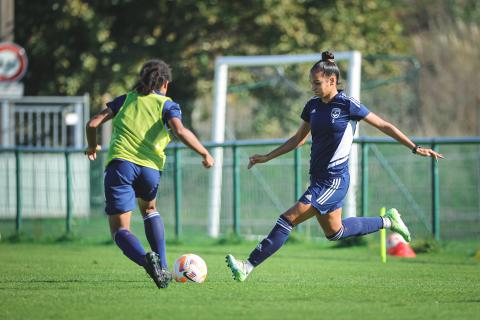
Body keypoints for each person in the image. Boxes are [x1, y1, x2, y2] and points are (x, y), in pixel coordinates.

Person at [226, 51, 443, 282]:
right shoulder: (312, 106)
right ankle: (388, 220)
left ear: (332, 81)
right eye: (311, 83)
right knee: (335, 232)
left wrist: (414, 147)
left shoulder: (348, 104)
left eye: (317, 83)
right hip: (318, 179)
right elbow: (298, 139)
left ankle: (247, 266)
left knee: (288, 218)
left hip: (334, 180)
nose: (313, 87)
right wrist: (267, 157)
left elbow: (384, 125)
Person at [85, 59, 214, 289]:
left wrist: (92, 146)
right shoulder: (167, 104)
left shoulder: (125, 100)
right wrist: (204, 153)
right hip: (150, 170)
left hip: (121, 166)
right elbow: (180, 131)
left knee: (120, 230)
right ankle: (163, 267)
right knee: (150, 210)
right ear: (164, 83)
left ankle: (147, 261)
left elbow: (93, 123)